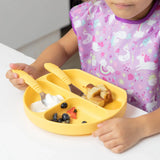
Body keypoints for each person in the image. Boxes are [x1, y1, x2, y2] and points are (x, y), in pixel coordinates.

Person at [6, 0, 160, 153]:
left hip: (142, 126)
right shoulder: (93, 14)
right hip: (87, 118)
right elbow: (63, 48)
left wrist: (141, 127)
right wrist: (37, 69)